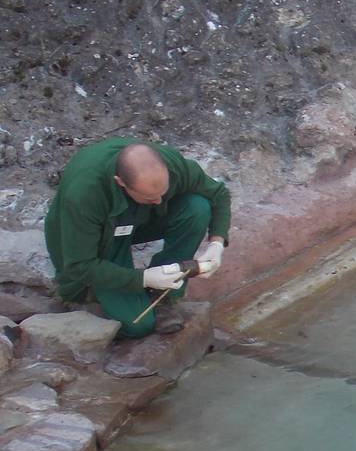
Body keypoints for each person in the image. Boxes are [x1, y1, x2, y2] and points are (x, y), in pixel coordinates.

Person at [44, 138, 231, 338]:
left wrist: (217, 243)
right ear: (121, 182)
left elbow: (218, 194)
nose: (159, 201)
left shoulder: (170, 165)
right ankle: (95, 297)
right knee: (138, 325)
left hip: (135, 221)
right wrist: (144, 278)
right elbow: (80, 265)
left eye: (163, 193)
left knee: (197, 208)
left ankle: (163, 293)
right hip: (96, 241)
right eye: (150, 197)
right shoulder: (85, 194)